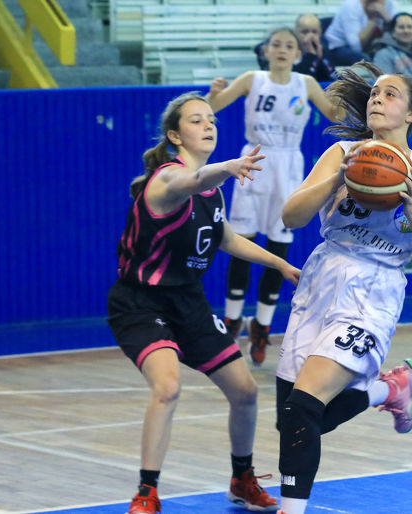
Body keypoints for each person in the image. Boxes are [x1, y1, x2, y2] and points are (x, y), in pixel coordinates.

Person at [106, 91, 302, 514]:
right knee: (167, 387)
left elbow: (225, 237)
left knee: (245, 391)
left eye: (211, 118)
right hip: (141, 303)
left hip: (188, 302)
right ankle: (146, 492)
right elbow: (192, 181)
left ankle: (241, 478)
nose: (208, 125)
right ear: (175, 136)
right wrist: (228, 168)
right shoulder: (167, 180)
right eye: (196, 120)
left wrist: (280, 264)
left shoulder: (212, 194)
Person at [275, 61, 412, 514]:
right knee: (291, 421)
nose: (377, 97)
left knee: (303, 410)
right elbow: (291, 216)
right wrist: (339, 178)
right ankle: (388, 390)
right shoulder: (342, 153)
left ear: (411, 114)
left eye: (390, 94)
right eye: (375, 92)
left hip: (374, 288)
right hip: (322, 277)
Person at [207, 28, 344, 366]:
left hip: (288, 165)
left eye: (289, 45)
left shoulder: (305, 83)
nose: (282, 49)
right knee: (242, 241)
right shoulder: (252, 79)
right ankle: (232, 319)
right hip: (254, 160)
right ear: (266, 50)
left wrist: (343, 87)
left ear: (298, 54)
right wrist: (212, 94)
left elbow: (336, 115)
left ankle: (262, 324)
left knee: (278, 244)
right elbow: (214, 107)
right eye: (276, 44)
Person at [254, 14, 336, 83]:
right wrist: (309, 56)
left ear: (320, 33)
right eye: (305, 32)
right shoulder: (282, 50)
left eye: (314, 32)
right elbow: (293, 81)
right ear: (295, 32)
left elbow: (329, 81)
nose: (310, 37)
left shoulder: (324, 48)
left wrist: (319, 59)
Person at [324, 0, 400, 67]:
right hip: (338, 46)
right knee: (365, 61)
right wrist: (373, 19)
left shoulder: (391, 4)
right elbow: (356, 47)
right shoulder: (351, 5)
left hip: (371, 46)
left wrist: (386, 18)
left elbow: (400, 39)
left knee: (395, 55)